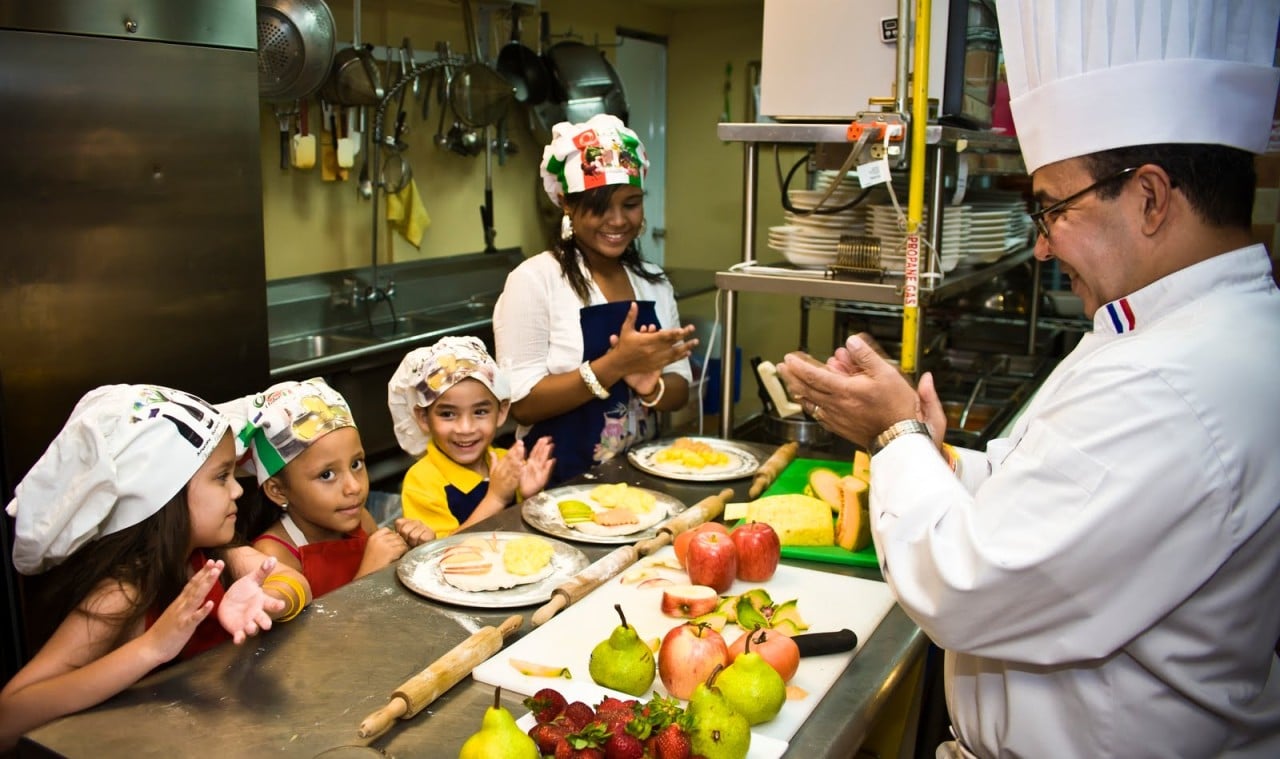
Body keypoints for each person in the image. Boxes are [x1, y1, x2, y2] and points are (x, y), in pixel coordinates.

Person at [778, 1, 1280, 756]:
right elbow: (1050, 481)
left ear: (1150, 197)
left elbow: (963, 583)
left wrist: (896, 434)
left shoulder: (1178, 381)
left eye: (1052, 210)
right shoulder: (1177, 332)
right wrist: (940, 457)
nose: (1042, 248)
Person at [0, 384, 312, 749]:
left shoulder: (213, 558)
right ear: (164, 493)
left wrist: (268, 601)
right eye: (221, 477)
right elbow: (11, 714)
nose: (237, 491)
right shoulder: (123, 592)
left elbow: (295, 580)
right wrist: (151, 648)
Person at [493, 113, 698, 483]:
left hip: (642, 481)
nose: (618, 220)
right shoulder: (535, 281)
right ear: (567, 204)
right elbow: (521, 405)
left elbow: (679, 388)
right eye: (600, 206)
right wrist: (615, 365)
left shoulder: (653, 282)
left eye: (631, 203)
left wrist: (652, 386)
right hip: (557, 488)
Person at [227, 378, 432, 599]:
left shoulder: (361, 519)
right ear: (278, 490)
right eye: (327, 475)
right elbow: (308, 633)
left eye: (356, 464)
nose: (353, 487)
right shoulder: (272, 556)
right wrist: (369, 574)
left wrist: (413, 552)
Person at [388, 336, 556, 538]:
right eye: (448, 414)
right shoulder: (422, 482)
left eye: (480, 412)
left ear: (501, 411)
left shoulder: (508, 463)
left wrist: (531, 497)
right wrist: (496, 498)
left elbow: (529, 537)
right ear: (423, 418)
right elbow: (439, 555)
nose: (465, 428)